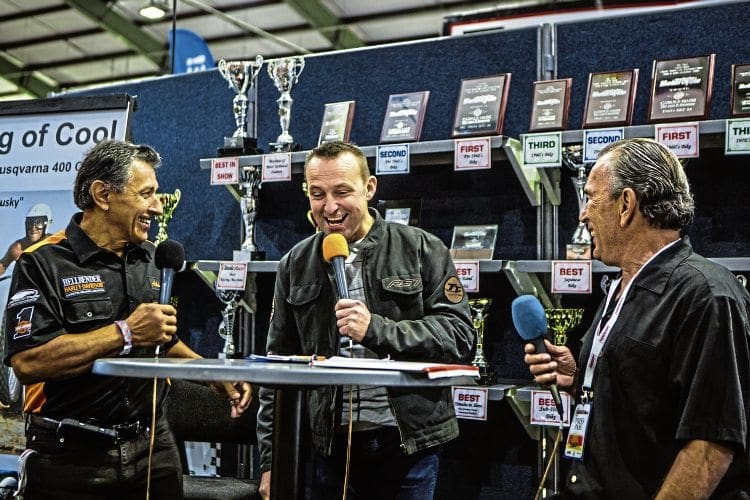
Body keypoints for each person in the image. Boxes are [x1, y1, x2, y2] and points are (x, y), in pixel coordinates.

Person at [2, 139, 253, 499]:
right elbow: (28, 362)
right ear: (103, 194)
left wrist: (207, 372)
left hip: (154, 450)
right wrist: (125, 331)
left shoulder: (152, 257)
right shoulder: (41, 262)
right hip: (71, 459)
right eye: (146, 194)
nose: (157, 205)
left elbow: (159, 339)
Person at [524, 138, 750, 498]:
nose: (583, 214)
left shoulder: (707, 295)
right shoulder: (623, 284)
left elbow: (710, 445)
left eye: (591, 197)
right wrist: (580, 377)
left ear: (626, 204)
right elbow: (649, 391)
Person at [256, 141, 475, 500]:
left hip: (410, 447)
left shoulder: (422, 248)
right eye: (317, 194)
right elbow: (277, 371)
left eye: (342, 192)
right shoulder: (294, 264)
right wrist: (270, 461)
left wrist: (377, 329)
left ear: (369, 188)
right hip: (329, 449)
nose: (329, 207)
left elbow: (460, 337)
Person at [0, 203, 53, 276]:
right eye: (30, 222)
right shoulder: (18, 248)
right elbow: (3, 265)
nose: (33, 228)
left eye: (39, 223)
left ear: (47, 224)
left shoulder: (56, 244)